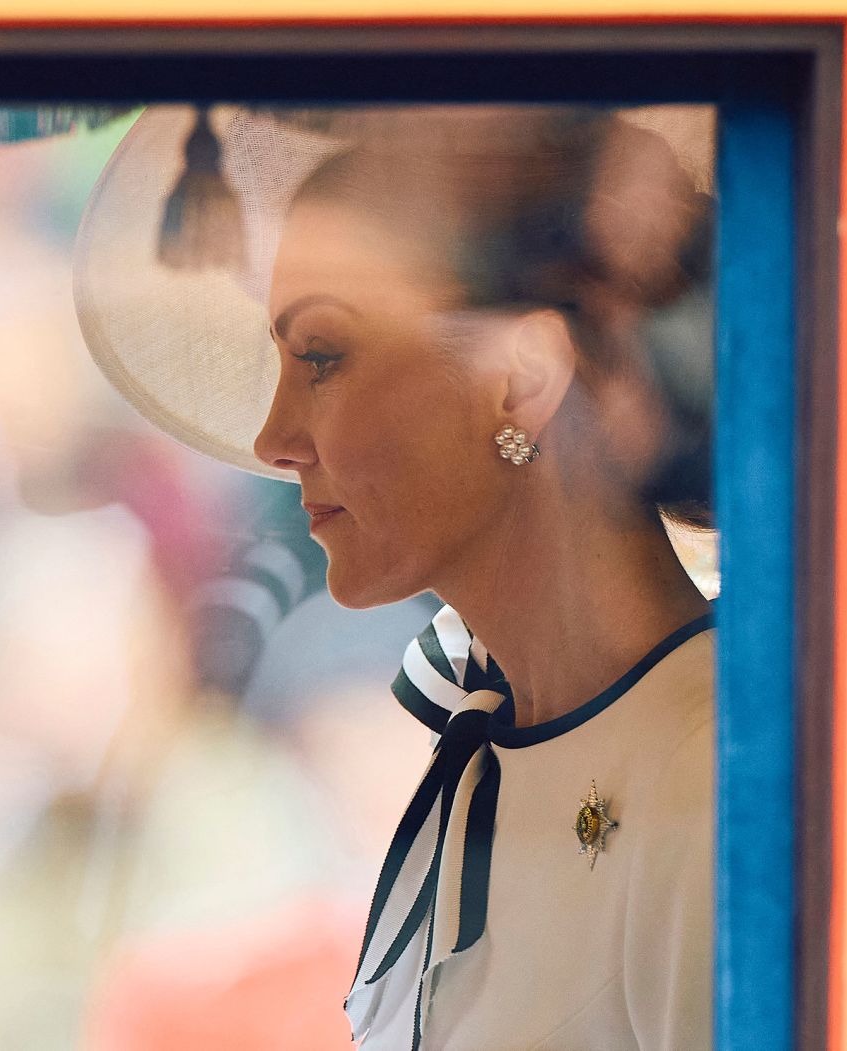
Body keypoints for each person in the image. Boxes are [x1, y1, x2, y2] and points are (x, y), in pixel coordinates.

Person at [75, 103, 718, 1050]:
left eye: (323, 355)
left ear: (521, 378)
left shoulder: (706, 780)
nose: (274, 437)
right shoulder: (482, 748)